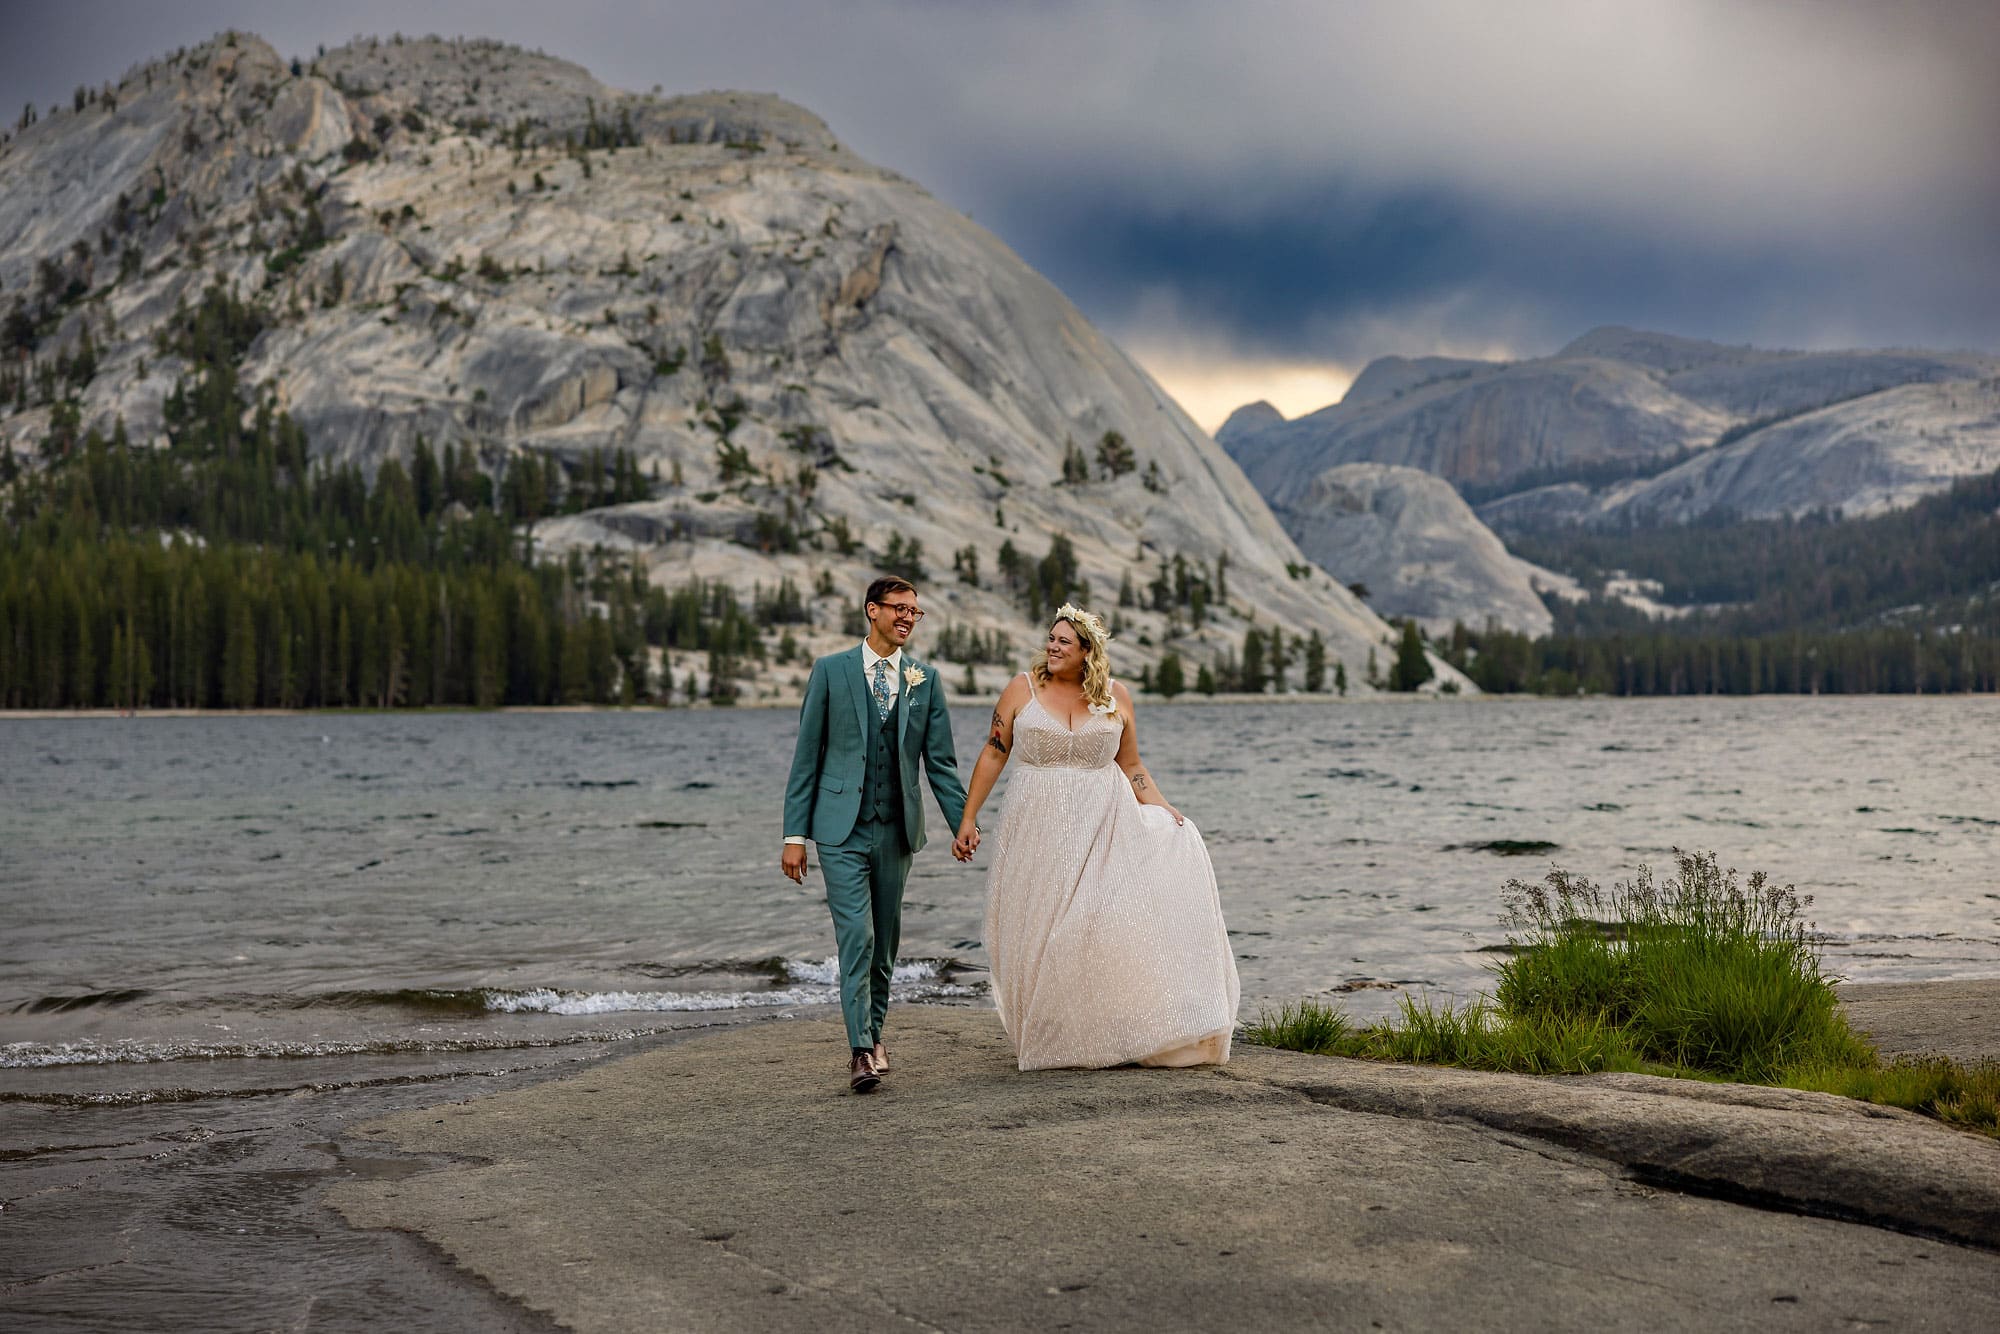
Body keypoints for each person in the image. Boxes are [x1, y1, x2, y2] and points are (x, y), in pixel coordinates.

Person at [954, 603, 1239, 1070]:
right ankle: (1050, 1032)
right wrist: (969, 819)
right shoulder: (1021, 689)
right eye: (1050, 639)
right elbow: (993, 752)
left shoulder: (1115, 696)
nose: (1052, 647)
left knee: (1096, 923)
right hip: (1037, 822)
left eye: (1064, 641)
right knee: (1039, 929)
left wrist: (1164, 809)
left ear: (1088, 651)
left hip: (1106, 821)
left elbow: (1131, 766)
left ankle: (1108, 1029)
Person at [782, 576, 973, 1093]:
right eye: (899, 609)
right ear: (873, 611)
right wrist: (794, 835)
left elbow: (941, 764)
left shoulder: (924, 679)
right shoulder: (830, 671)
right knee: (858, 938)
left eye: (916, 611)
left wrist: (963, 822)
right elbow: (806, 758)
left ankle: (876, 1034)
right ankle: (860, 1051)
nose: (909, 617)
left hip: (896, 833)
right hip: (839, 831)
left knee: (885, 945)